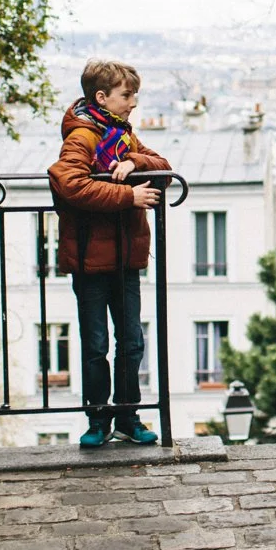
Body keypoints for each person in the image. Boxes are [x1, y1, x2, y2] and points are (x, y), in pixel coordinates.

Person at [48, 59, 170, 448]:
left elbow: (164, 166)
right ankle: (100, 418)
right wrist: (127, 195)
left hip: (124, 258)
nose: (133, 102)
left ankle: (127, 415)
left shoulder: (121, 136)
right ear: (101, 97)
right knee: (97, 343)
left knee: (131, 340)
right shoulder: (83, 136)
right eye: (127, 95)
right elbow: (68, 182)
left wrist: (134, 162)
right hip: (89, 259)